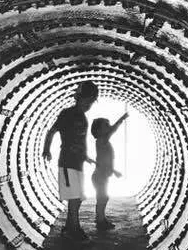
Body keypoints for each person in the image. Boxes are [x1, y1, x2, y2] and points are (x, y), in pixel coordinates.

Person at [42, 81, 98, 241]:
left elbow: (80, 140)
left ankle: (69, 226)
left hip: (77, 162)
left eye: (91, 102)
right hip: (67, 161)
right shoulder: (68, 113)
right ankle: (75, 230)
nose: (89, 104)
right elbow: (52, 131)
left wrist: (85, 155)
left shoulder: (82, 116)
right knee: (75, 197)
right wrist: (46, 149)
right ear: (79, 98)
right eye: (88, 100)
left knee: (77, 197)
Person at [90, 113, 128, 230]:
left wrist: (114, 171)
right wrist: (122, 119)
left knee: (103, 197)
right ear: (99, 130)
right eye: (106, 125)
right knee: (102, 197)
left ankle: (101, 219)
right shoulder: (101, 140)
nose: (109, 126)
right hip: (99, 176)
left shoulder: (102, 140)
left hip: (101, 175)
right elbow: (113, 129)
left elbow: (104, 161)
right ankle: (100, 221)